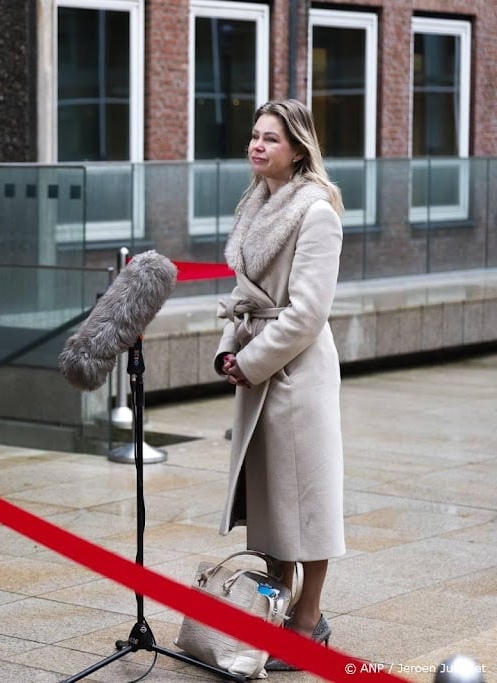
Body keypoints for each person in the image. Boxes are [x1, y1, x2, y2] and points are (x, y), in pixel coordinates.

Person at [213, 99, 344, 671]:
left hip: (297, 376)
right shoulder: (255, 204)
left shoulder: (317, 213)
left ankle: (308, 620)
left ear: (297, 148)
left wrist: (254, 360)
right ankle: (274, 613)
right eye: (254, 135)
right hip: (259, 368)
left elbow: (308, 312)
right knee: (269, 506)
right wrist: (227, 350)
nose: (257, 145)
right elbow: (243, 297)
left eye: (271, 138)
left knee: (308, 507)